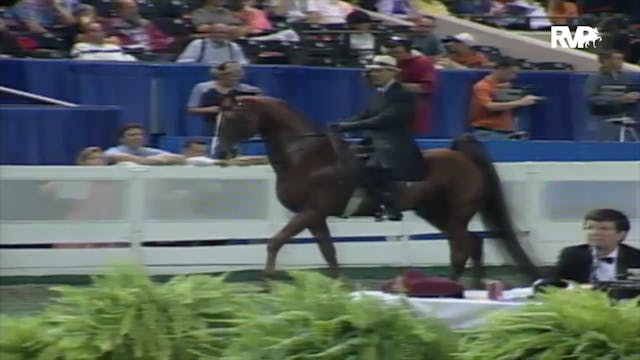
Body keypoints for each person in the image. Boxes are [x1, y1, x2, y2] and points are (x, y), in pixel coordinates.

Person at [330, 55, 426, 221]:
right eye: (372, 71)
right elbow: (365, 115)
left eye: (377, 71)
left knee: (374, 168)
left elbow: (385, 119)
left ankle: (391, 206)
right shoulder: (378, 94)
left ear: (392, 73)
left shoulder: (403, 94)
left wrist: (348, 127)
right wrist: (340, 124)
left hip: (394, 143)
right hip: (374, 141)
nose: (373, 75)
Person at [186, 61, 262, 159]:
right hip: (210, 128)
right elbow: (191, 109)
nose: (235, 76)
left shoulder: (250, 90)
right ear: (220, 74)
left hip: (239, 129)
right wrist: (211, 110)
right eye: (231, 73)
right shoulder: (202, 88)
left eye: (238, 73)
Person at [552, 209, 640, 284]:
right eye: (589, 228)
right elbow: (554, 286)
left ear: (621, 234)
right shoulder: (571, 255)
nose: (594, 233)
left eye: (604, 229)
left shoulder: (636, 257)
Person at [468, 57, 542, 140]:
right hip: (488, 133)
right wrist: (521, 102)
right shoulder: (482, 86)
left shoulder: (505, 87)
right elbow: (490, 106)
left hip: (507, 133)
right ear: (502, 69)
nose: (514, 77)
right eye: (512, 73)